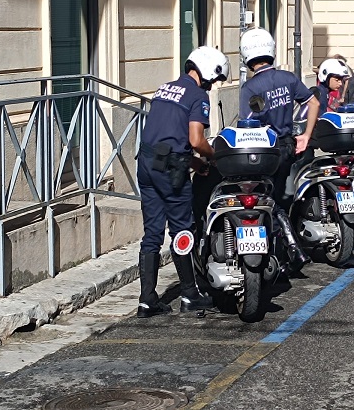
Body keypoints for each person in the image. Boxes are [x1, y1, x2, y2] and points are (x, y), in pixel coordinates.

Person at [136, 46, 231, 318]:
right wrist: (213, 156)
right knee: (182, 229)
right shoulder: (197, 95)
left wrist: (194, 163)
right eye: (214, 81)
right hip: (170, 170)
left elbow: (168, 139)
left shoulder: (165, 87)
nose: (213, 87)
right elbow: (195, 140)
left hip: (147, 163)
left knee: (152, 232)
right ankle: (190, 294)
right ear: (208, 73)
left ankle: (147, 299)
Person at [239, 27, 320, 273]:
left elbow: (247, 125)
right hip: (287, 146)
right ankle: (288, 248)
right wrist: (306, 135)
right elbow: (313, 102)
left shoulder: (250, 88)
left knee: (261, 200)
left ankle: (278, 251)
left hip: (264, 150)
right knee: (281, 197)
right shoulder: (288, 79)